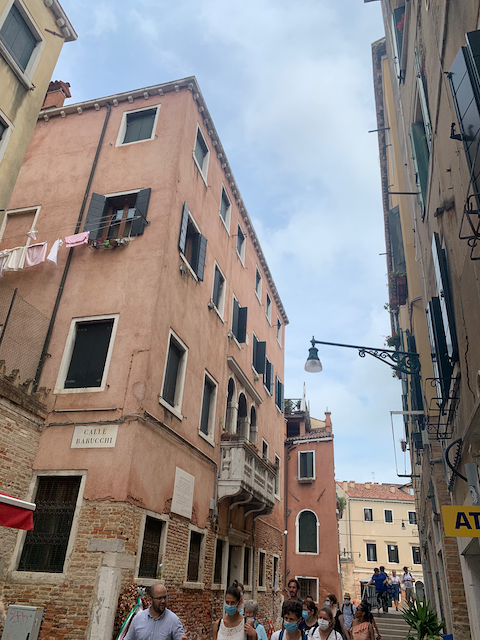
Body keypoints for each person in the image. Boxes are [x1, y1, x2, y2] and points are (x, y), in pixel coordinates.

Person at [125, 583, 189, 640]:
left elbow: (181, 638)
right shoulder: (138, 619)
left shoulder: (174, 621)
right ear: (150, 599)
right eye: (159, 598)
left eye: (165, 597)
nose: (163, 601)